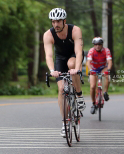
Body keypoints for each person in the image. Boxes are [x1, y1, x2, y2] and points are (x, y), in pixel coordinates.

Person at [43, 8, 86, 137]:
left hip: (74, 56)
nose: (56, 24)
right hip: (60, 58)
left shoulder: (75, 30)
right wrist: (52, 71)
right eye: (53, 21)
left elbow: (79, 52)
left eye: (58, 21)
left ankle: (79, 95)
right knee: (61, 89)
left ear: (64, 21)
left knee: (71, 65)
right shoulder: (48, 35)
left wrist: (77, 69)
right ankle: (64, 122)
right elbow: (49, 56)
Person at [87, 37, 112, 114]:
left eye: (99, 44)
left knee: (107, 76)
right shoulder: (91, 51)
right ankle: (93, 104)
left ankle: (105, 92)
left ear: (102, 45)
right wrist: (90, 69)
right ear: (94, 45)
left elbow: (109, 61)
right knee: (92, 86)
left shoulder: (106, 50)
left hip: (103, 68)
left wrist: (108, 69)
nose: (97, 46)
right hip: (93, 69)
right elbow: (88, 62)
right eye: (96, 44)